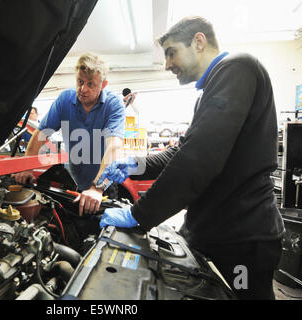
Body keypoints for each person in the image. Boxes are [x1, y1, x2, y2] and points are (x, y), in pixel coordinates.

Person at [98, 16, 285, 300]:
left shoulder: (236, 67)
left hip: (242, 239)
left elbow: (200, 157)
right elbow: (184, 150)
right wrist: (135, 164)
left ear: (198, 41)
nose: (167, 64)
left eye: (171, 52)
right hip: (212, 231)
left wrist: (139, 214)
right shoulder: (209, 91)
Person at [12, 52, 125, 216]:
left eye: (91, 84)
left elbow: (114, 146)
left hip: (103, 185)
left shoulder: (113, 105)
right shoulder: (65, 100)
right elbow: (41, 134)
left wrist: (97, 188)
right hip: (71, 181)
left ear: (104, 84)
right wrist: (27, 167)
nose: (83, 89)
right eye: (80, 82)